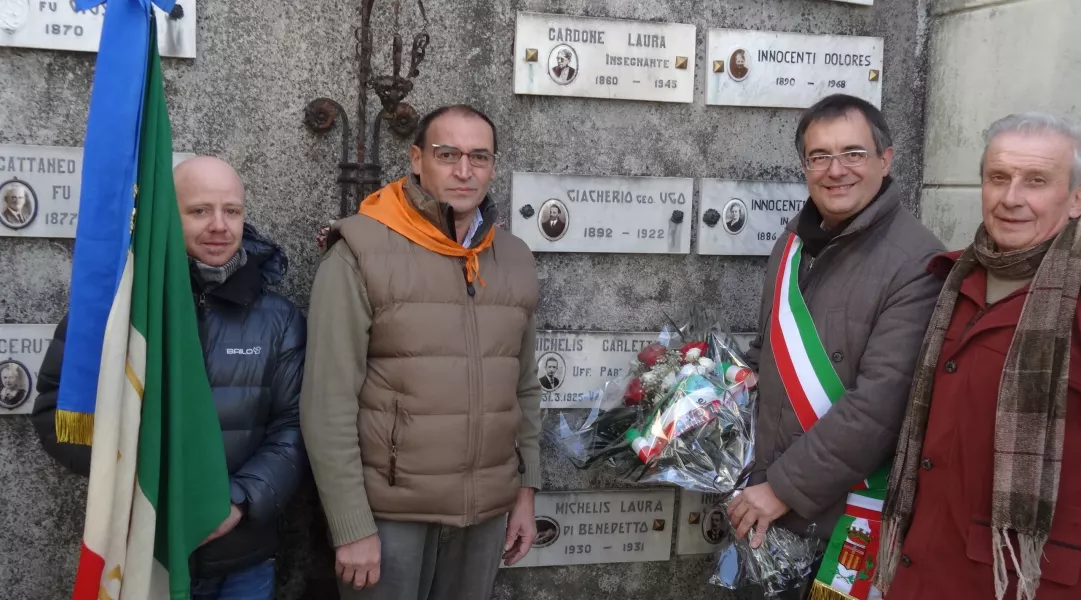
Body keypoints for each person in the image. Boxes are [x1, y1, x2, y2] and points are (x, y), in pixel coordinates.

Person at [30, 156, 307, 600]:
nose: (219, 225)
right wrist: (139, 488)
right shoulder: (118, 311)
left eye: (231, 211)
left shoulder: (280, 319)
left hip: (241, 559)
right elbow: (56, 410)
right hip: (140, 554)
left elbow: (292, 426)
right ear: (167, 215)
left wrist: (236, 503)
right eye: (200, 211)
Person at [301, 104, 542, 600]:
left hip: (484, 515)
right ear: (416, 159)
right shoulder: (361, 250)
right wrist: (350, 526)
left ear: (493, 166)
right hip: (391, 517)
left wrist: (524, 492)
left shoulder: (514, 257)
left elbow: (524, 387)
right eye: (447, 153)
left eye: (479, 157)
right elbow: (328, 403)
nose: (463, 170)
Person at [732, 94, 945, 599]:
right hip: (767, 508)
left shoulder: (918, 262)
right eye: (819, 156)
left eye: (853, 153)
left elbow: (881, 407)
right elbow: (769, 355)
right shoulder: (791, 244)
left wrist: (782, 489)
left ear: (886, 160)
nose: (836, 170)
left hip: (840, 523)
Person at [876, 113, 1081, 600]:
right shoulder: (948, 279)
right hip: (919, 568)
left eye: (1036, 181)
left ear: (1075, 198)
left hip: (1022, 582)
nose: (1012, 198)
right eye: (998, 178)